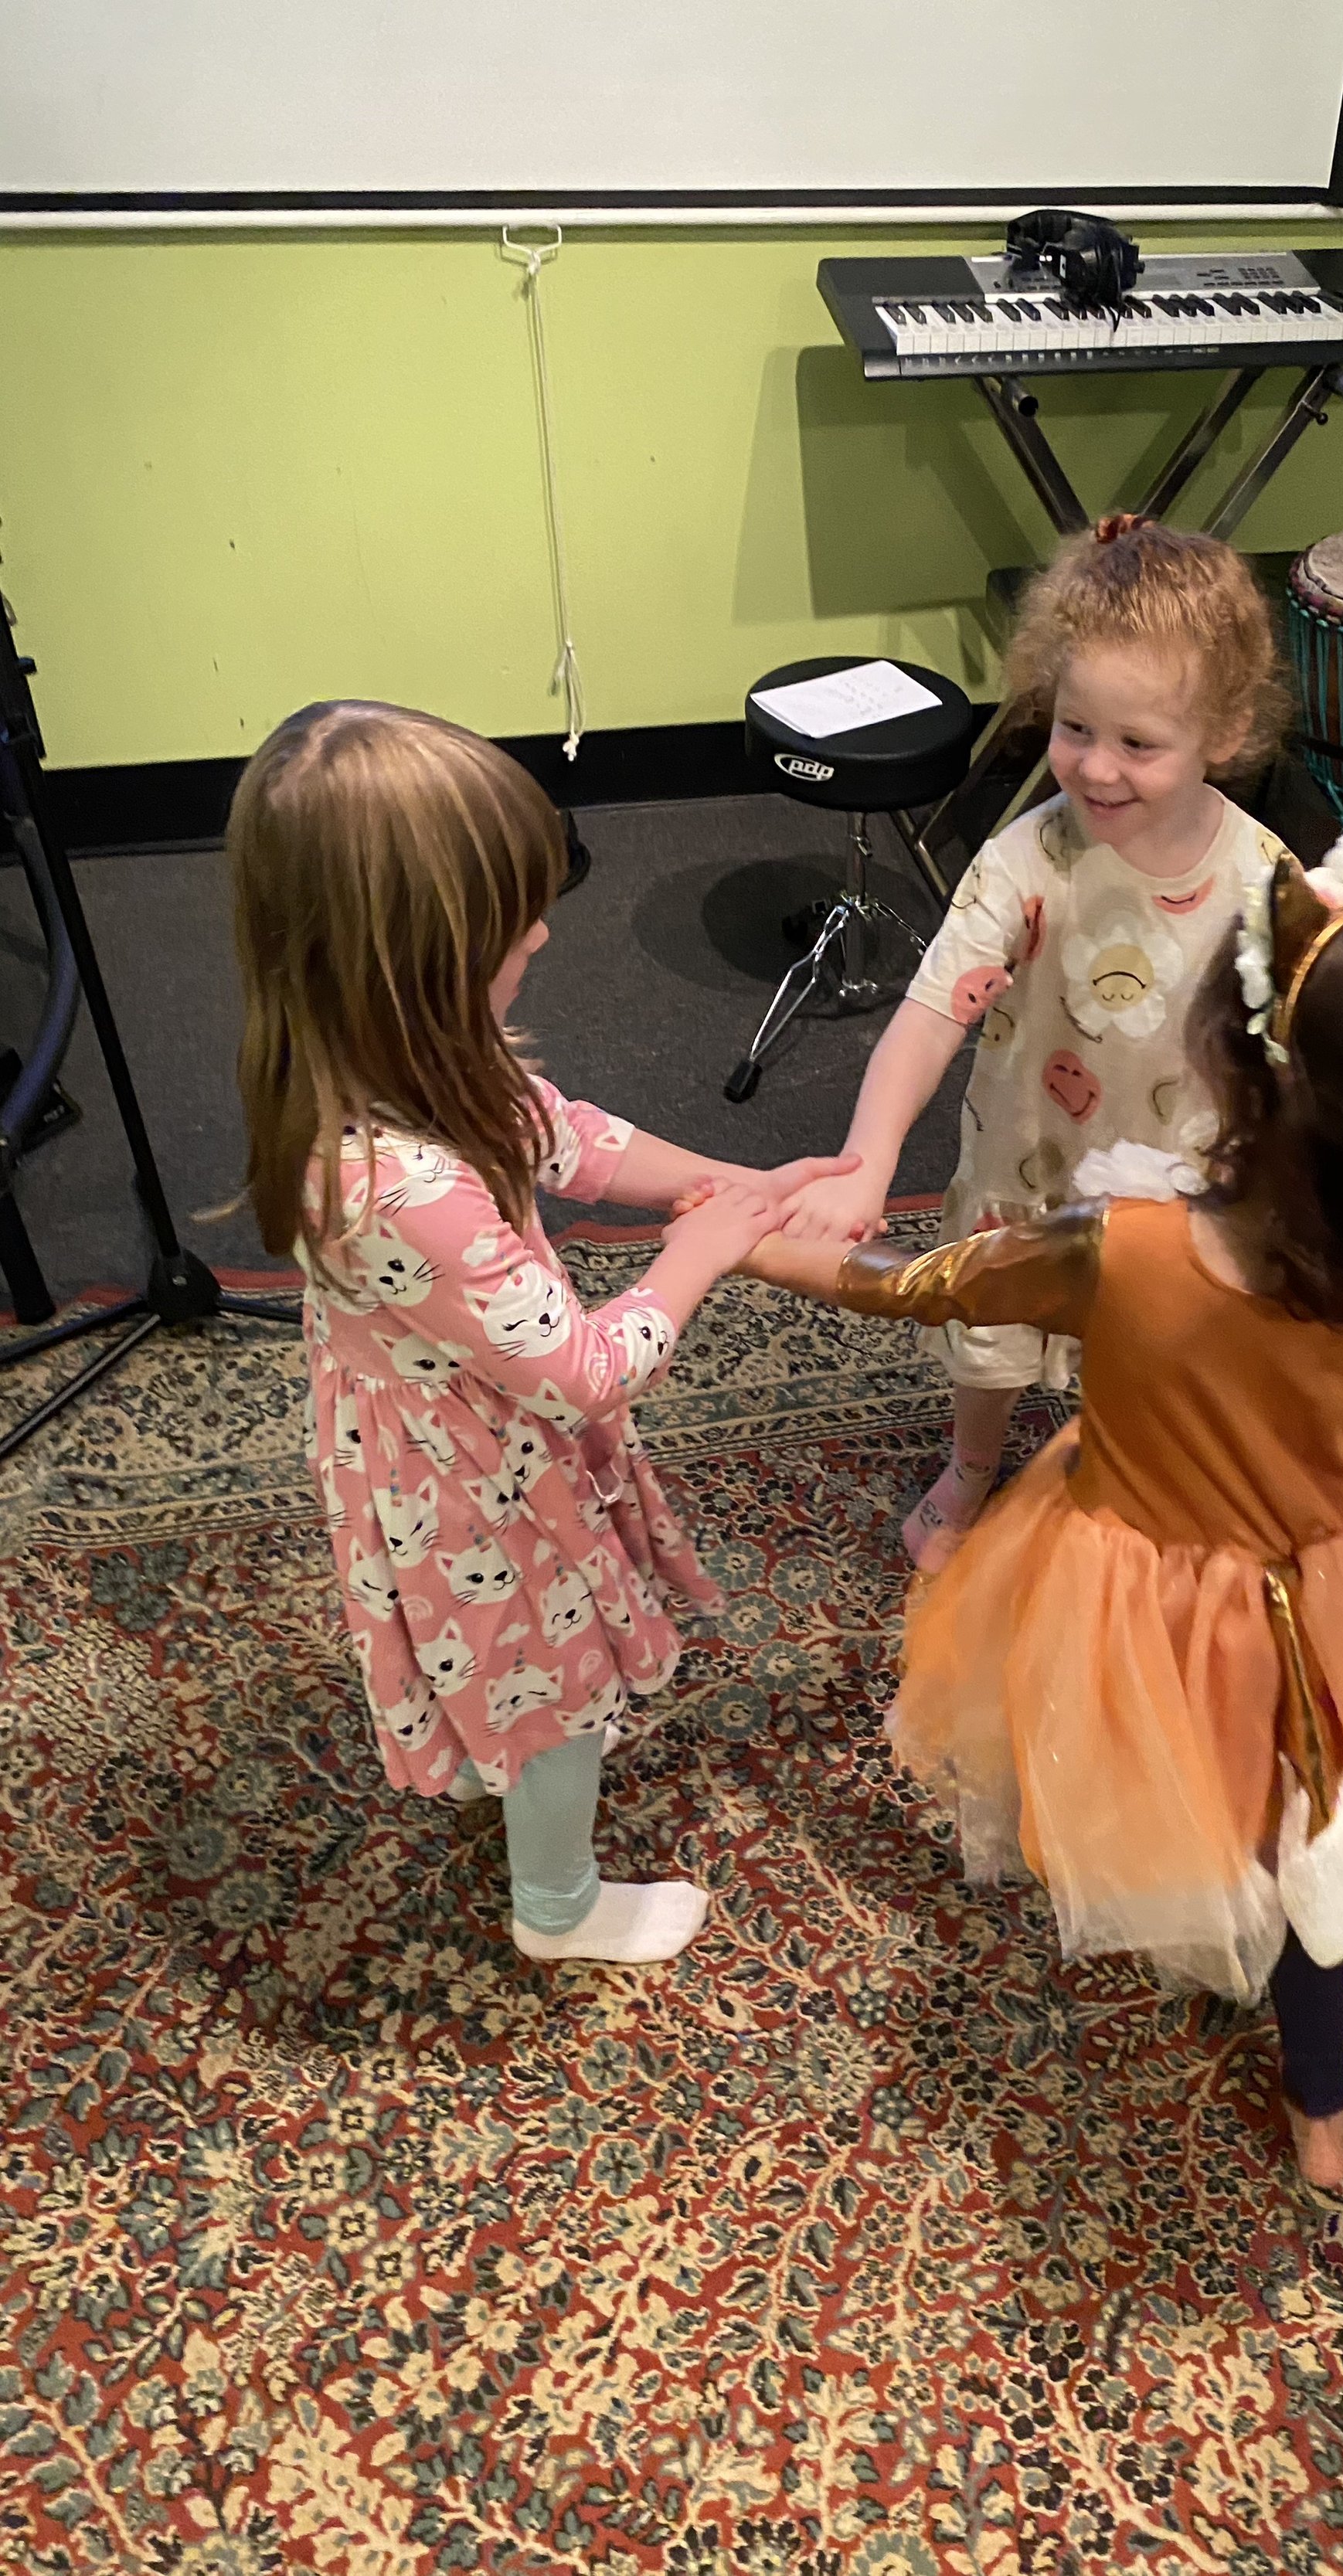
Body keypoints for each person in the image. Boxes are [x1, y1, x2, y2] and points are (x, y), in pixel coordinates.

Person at [737, 811, 1343, 2187]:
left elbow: (920, 1286)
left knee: (1148, 1784)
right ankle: (1320, 2104)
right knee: (1306, 1824)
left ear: (1241, 1067)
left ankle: (1197, 1946)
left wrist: (744, 1244)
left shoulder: (1123, 1251)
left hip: (1125, 1591)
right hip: (1323, 1592)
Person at [227, 701, 852, 1965]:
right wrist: (702, 1251)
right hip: (476, 1488)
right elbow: (578, 1368)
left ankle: (485, 1743)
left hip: (460, 1430)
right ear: (419, 957)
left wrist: (730, 1180)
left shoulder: (400, 1051)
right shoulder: (393, 1185)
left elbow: (568, 1133)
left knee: (503, 1672)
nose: (546, 930)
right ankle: (557, 1904)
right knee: (554, 1696)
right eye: (514, 920)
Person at [778, 515, 1295, 1571]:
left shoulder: (1265, 878)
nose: (1095, 769)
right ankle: (971, 1468)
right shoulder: (1027, 860)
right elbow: (930, 1014)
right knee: (993, 1335)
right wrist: (870, 1155)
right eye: (1072, 728)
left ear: (1226, 733)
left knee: (1157, 1342)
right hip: (1031, 1160)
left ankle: (1130, 1466)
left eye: (1139, 744)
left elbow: (1308, 1035)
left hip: (1178, 1179)